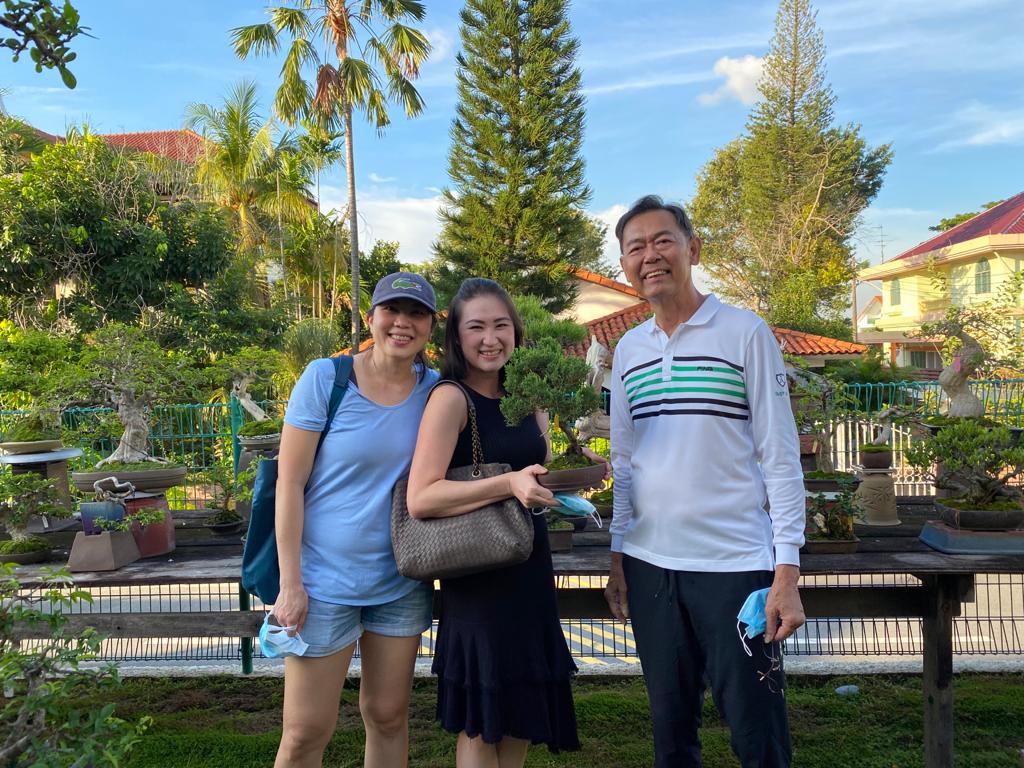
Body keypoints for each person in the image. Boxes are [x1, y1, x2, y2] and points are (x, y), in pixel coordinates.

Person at [603, 196, 806, 767]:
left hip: (735, 566)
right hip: (649, 567)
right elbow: (625, 462)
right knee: (671, 735)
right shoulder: (628, 350)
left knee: (758, 734)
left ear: (692, 249)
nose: (650, 256)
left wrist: (786, 572)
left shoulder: (745, 333)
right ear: (625, 265)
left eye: (662, 241)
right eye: (635, 247)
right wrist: (618, 557)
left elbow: (780, 456)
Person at [406, 277, 602, 767]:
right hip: (479, 577)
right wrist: (508, 483)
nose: (490, 338)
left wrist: (571, 469)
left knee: (521, 713)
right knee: (483, 721)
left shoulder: (527, 395)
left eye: (501, 325)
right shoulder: (451, 398)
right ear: (457, 338)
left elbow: (536, 463)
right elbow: (422, 497)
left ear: (516, 331)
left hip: (528, 565)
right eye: (476, 327)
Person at [272, 272, 440, 768]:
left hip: (400, 580)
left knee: (388, 716)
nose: (403, 323)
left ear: (431, 327)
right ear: (371, 318)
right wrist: (291, 584)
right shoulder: (327, 379)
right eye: (392, 310)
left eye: (417, 314)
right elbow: (289, 483)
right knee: (305, 732)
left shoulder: (436, 390)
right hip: (323, 584)